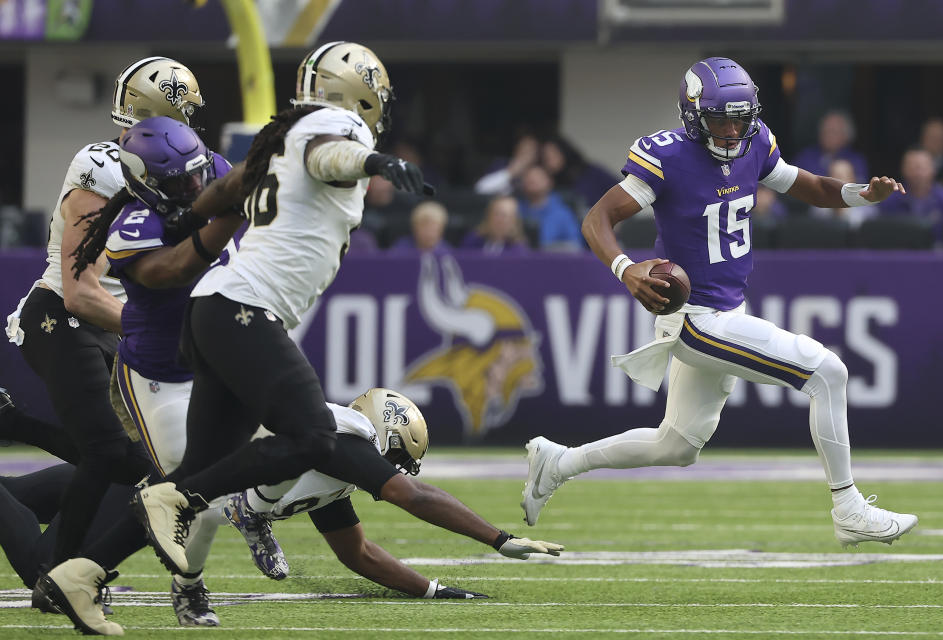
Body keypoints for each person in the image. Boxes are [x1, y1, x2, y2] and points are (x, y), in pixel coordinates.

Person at [31, 42, 436, 636]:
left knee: (216, 476)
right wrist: (364, 167)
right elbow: (159, 271)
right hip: (160, 364)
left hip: (210, 339)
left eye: (199, 163)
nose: (197, 169)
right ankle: (176, 573)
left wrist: (233, 200)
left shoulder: (211, 166)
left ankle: (84, 572)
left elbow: (230, 185)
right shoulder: (126, 205)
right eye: (184, 172)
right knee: (194, 492)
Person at [520, 57, 917, 549]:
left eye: (739, 117)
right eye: (719, 118)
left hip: (726, 312)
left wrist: (861, 195)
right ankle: (848, 508)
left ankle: (556, 463)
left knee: (677, 445)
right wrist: (626, 269)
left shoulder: (755, 141)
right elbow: (597, 219)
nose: (731, 130)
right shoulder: (667, 156)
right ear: (692, 114)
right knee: (826, 372)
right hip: (693, 319)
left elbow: (808, 186)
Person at [32, 390, 564, 635]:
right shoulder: (346, 442)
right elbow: (416, 498)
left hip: (200, 487)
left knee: (63, 513)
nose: (398, 470)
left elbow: (358, 554)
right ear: (381, 434)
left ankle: (252, 513)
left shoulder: (332, 471)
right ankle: (196, 576)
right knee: (69, 517)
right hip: (187, 469)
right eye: (398, 456)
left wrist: (433, 590)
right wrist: (497, 538)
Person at [2, 57, 204, 574]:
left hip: (114, 325)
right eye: (184, 116)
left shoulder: (183, 171)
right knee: (118, 456)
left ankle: (33, 514)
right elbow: (79, 292)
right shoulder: (103, 165)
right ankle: (59, 571)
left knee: (144, 465)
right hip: (64, 318)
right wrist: (163, 333)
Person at [67, 115, 246, 626]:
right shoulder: (129, 226)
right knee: (196, 496)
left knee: (279, 455)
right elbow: (175, 269)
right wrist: (231, 210)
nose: (195, 186)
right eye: (181, 182)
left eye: (197, 174)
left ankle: (253, 515)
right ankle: (188, 588)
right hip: (156, 376)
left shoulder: (212, 169)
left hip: (219, 360)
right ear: (145, 183)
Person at [877, 148, 943, 246]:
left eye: (922, 168)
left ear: (933, 169)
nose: (917, 174)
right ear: (903, 169)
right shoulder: (889, 200)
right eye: (912, 168)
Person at [540, 135, 620, 213]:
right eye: (546, 158)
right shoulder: (548, 184)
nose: (550, 162)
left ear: (564, 152)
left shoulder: (590, 172)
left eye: (554, 155)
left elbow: (622, 192)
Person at [517, 165, 584, 250]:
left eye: (538, 178)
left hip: (552, 261)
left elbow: (575, 246)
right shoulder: (515, 210)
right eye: (528, 178)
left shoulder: (563, 213)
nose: (532, 181)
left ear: (549, 182)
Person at [793, 110, 869, 183]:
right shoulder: (806, 156)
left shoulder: (856, 160)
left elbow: (860, 189)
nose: (828, 135)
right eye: (825, 131)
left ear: (846, 136)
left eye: (833, 131)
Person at [808, 158, 877, 228]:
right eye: (833, 178)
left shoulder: (867, 214)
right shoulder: (818, 212)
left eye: (842, 177)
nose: (837, 183)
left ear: (853, 181)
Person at [461, 195, 529, 254]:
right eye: (497, 214)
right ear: (488, 216)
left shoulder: (519, 250)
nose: (501, 220)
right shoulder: (472, 241)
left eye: (506, 216)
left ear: (515, 221)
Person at [917, 117, 943, 187]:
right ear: (922, 138)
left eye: (940, 138)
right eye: (932, 137)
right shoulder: (912, 167)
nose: (936, 142)